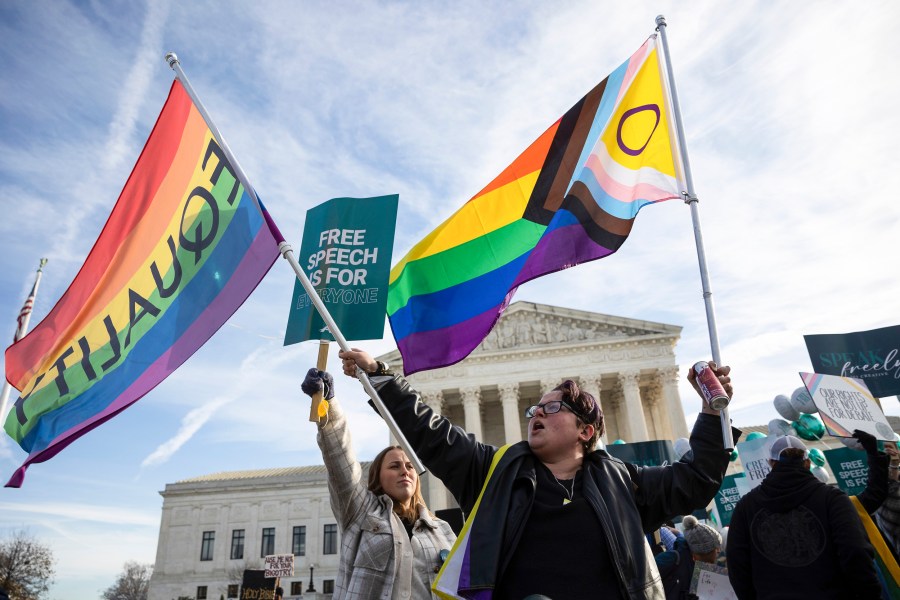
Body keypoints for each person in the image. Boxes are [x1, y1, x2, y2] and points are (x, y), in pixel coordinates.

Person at [338, 349, 739, 599]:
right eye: (535, 410)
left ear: (585, 432)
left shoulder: (623, 483)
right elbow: (433, 434)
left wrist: (711, 412)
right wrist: (381, 376)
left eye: (552, 408)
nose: (536, 414)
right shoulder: (494, 473)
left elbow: (696, 480)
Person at [301, 368, 457, 599]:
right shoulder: (362, 513)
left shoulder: (442, 530)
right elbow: (341, 462)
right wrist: (329, 404)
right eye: (394, 466)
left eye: (410, 466)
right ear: (377, 477)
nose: (404, 471)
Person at [726, 434, 881, 599]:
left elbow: (737, 564)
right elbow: (855, 550)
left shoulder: (746, 506)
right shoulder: (832, 499)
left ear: (771, 463)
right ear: (807, 462)